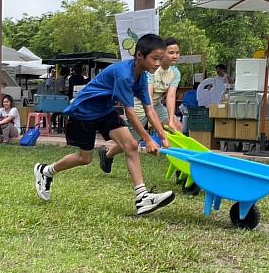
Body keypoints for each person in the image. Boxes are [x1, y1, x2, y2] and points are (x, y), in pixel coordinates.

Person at [33, 34, 175, 216]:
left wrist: (163, 138)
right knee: (84, 158)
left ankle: (142, 198)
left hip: (104, 111)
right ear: (139, 55)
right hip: (83, 112)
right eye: (154, 59)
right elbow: (130, 112)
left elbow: (150, 111)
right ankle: (46, 171)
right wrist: (148, 140)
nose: (157, 63)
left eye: (160, 59)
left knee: (130, 145)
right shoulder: (124, 75)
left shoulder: (142, 78)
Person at [98, 38, 182, 172]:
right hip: (139, 104)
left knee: (177, 126)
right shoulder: (150, 68)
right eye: (171, 52)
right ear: (162, 53)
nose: (175, 56)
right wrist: (152, 120)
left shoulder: (175, 72)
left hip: (156, 105)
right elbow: (146, 97)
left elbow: (171, 96)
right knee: (132, 141)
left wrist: (171, 120)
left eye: (177, 53)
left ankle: (180, 168)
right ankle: (107, 154)